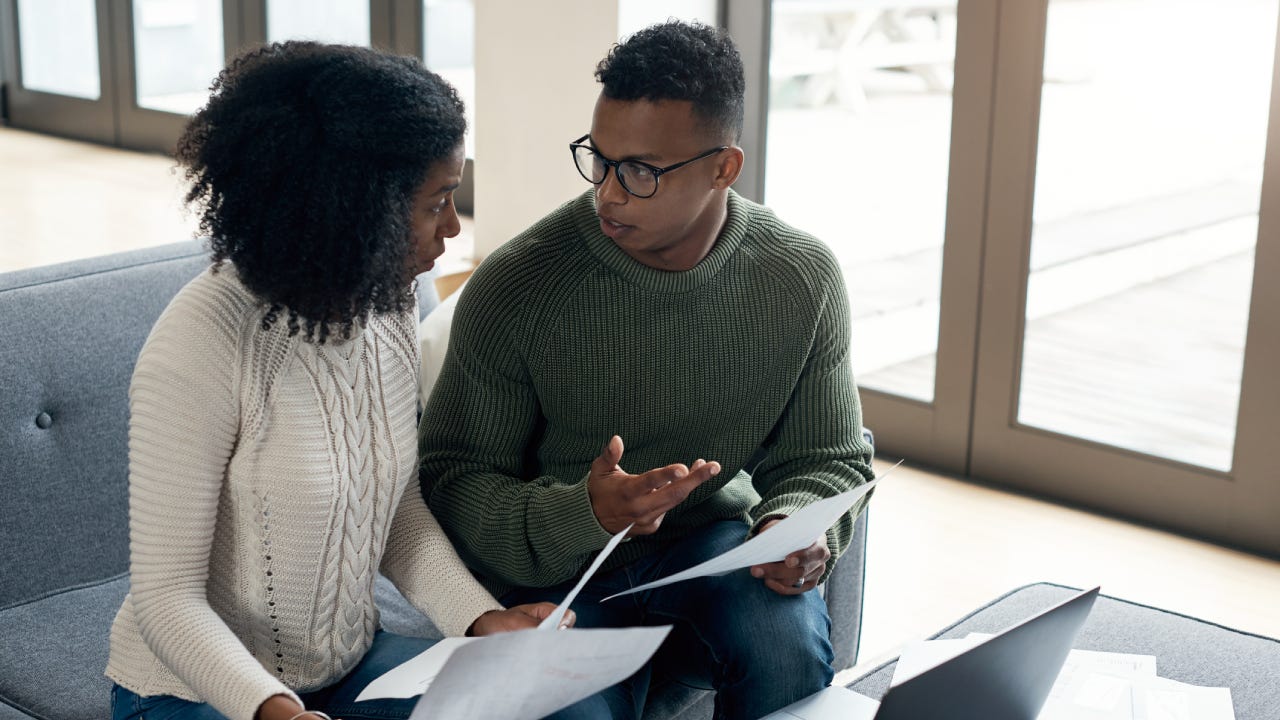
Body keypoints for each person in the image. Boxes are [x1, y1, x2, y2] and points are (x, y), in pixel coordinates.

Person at [104, 41, 597, 720]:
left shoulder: (387, 303)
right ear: (354, 208)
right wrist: (274, 708)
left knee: (567, 706)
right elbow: (167, 599)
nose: (454, 228)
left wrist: (483, 622)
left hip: (347, 667)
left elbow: (397, 512)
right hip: (194, 691)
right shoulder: (202, 342)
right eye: (438, 203)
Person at [418, 20, 875, 720]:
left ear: (724, 167)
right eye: (598, 160)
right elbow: (453, 481)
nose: (608, 193)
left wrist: (799, 528)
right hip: (559, 582)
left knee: (785, 644)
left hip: (714, 551)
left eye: (639, 171)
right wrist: (587, 512)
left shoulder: (801, 277)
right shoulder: (518, 286)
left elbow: (829, 455)